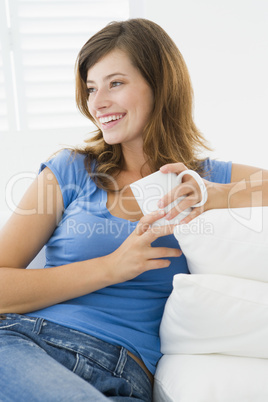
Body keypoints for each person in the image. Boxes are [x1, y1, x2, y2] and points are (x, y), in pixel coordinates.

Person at [0, 18, 267, 402]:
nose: (97, 102)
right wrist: (111, 268)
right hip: (32, 344)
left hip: (126, 374)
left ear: (159, 85)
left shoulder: (203, 178)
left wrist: (218, 194)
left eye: (116, 83)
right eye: (91, 89)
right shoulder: (71, 170)